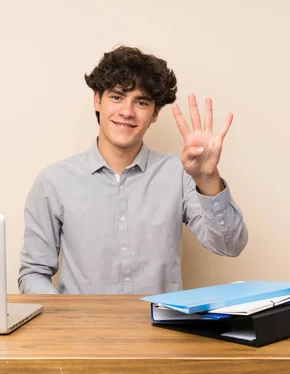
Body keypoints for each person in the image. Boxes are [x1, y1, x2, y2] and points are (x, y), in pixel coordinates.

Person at [18, 45, 248, 294]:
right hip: (83, 331)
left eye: (141, 102)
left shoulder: (179, 175)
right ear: (97, 100)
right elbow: (33, 274)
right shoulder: (53, 182)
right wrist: (68, 321)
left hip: (161, 329)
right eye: (116, 97)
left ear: (155, 113)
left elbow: (230, 245)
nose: (127, 112)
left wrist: (208, 179)